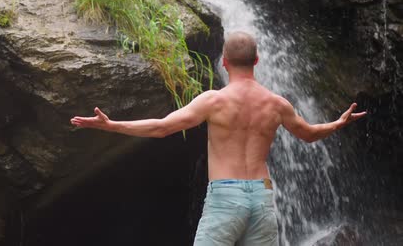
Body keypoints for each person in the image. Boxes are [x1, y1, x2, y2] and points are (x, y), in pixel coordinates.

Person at [70, 31, 367, 246]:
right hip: (262, 197)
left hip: (226, 196)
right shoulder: (277, 104)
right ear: (258, 60)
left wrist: (111, 125)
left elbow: (161, 127)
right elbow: (310, 134)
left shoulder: (214, 101)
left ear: (224, 62)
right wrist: (338, 122)